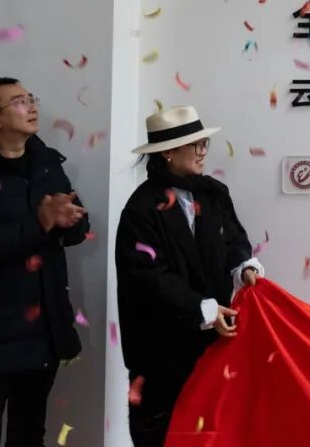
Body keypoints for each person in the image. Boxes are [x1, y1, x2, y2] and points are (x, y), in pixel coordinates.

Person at [115, 105, 263, 447]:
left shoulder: (214, 193)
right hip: (161, 350)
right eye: (194, 145)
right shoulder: (141, 209)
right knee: (164, 434)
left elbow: (233, 240)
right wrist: (202, 308)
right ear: (167, 152)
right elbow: (148, 278)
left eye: (203, 143)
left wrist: (244, 267)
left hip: (212, 345)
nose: (202, 151)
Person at [0, 77, 89, 447]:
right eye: (19, 101)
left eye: (31, 98)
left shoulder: (46, 162)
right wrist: (40, 223)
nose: (32, 106)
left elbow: (75, 228)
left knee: (29, 434)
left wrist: (72, 220)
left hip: (44, 329)